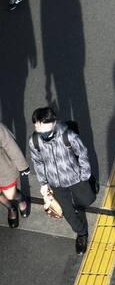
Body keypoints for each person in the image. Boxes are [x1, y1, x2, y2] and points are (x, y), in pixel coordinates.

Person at [28, 108, 96, 253]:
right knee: (68, 212)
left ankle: (91, 183)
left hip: (74, 177)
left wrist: (85, 175)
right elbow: (38, 162)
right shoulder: (34, 141)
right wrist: (44, 184)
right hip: (55, 183)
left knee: (88, 200)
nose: (42, 133)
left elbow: (82, 153)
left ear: (54, 123)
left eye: (44, 129)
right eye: (37, 128)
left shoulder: (68, 136)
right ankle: (81, 233)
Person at [0, 122, 31, 228]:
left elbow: (10, 144)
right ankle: (11, 208)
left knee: (10, 195)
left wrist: (22, 166)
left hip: (3, 169)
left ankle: (21, 200)